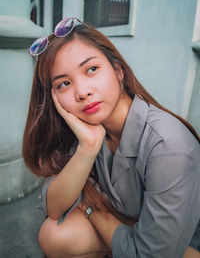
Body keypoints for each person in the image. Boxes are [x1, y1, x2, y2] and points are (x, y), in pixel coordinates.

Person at [23, 17, 200, 258]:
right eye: (64, 83)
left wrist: (92, 212)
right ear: (55, 99)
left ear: (118, 71)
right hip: (133, 228)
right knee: (52, 235)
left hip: (166, 247)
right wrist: (89, 146)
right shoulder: (86, 128)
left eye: (91, 69)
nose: (82, 92)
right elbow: (53, 208)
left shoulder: (168, 145)